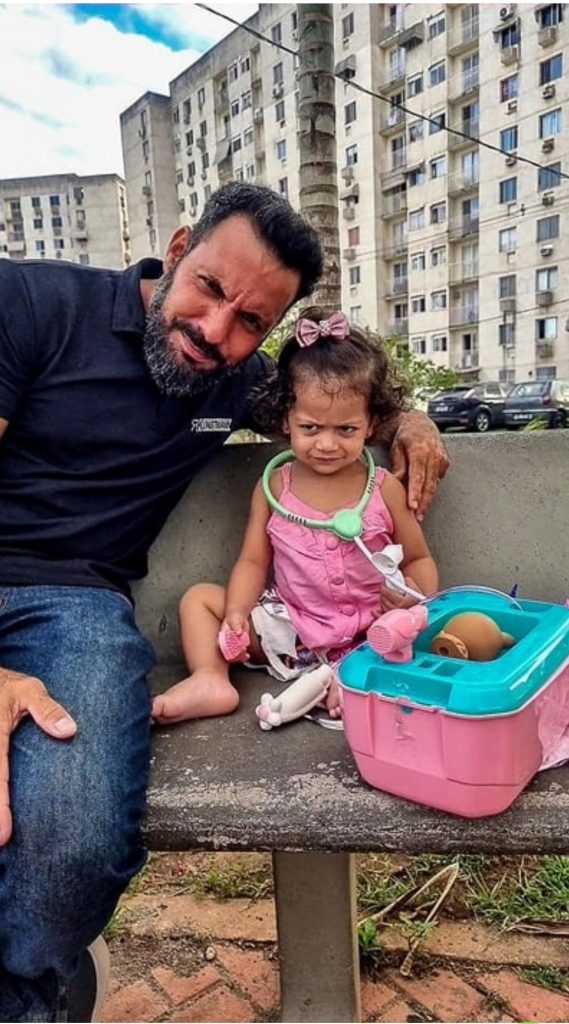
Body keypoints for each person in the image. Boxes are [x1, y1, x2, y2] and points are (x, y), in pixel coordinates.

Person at [0, 182, 448, 1022]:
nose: (216, 332)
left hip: (73, 606)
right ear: (177, 250)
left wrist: (412, 425)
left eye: (251, 322)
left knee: (76, 843)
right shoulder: (28, 302)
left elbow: (337, 406)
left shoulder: (236, 380)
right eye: (209, 287)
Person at [157, 308, 439, 725]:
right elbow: (253, 561)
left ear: (371, 424)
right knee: (199, 601)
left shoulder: (384, 490)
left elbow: (418, 558)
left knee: (400, 637)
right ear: (285, 418)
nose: (326, 444)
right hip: (293, 629)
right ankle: (210, 678)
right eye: (310, 428)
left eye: (345, 430)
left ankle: (352, 682)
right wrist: (237, 612)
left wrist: (413, 594)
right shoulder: (274, 489)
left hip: (371, 629)